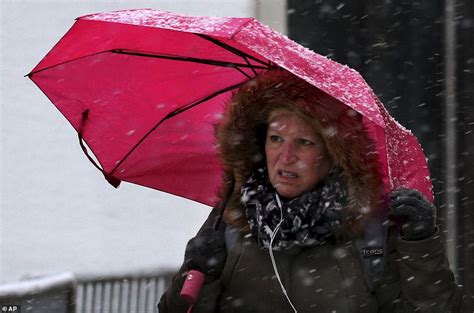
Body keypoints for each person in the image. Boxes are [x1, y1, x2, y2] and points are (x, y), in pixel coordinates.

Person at [158, 70, 463, 312]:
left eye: (304, 142)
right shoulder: (231, 221)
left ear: (333, 155)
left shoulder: (371, 233)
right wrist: (197, 273)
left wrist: (422, 248)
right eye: (276, 139)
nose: (286, 156)